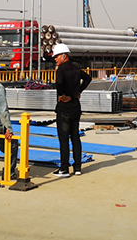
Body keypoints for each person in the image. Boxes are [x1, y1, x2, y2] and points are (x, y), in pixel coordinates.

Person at [51, 43, 91, 177]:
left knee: (63, 139)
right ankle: (77, 167)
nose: (55, 59)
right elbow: (88, 78)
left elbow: (59, 84)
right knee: (75, 137)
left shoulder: (60, 70)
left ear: (64, 56)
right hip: (75, 106)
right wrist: (79, 91)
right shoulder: (76, 68)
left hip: (64, 108)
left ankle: (64, 168)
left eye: (57, 56)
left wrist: (62, 95)